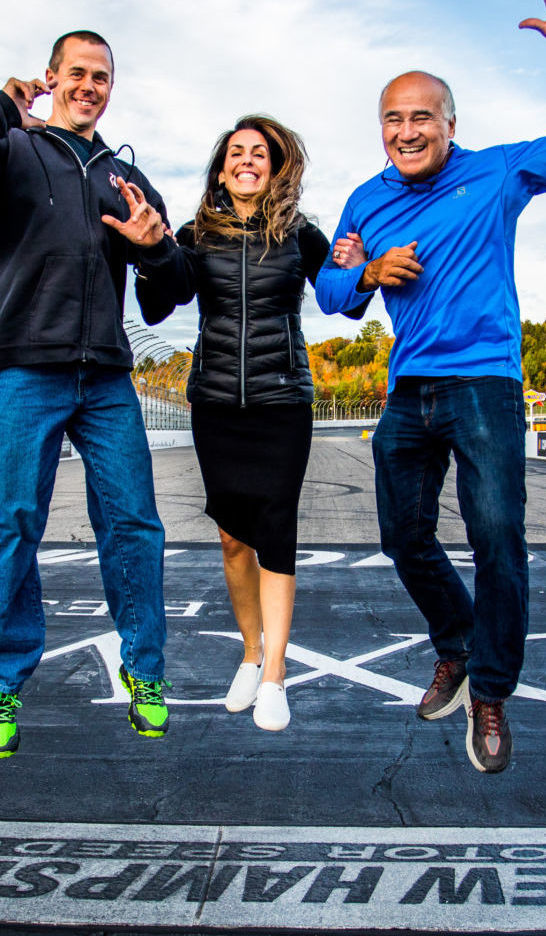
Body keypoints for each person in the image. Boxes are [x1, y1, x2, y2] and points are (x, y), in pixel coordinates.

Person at [314, 0, 546, 773]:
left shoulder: (499, 171)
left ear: (451, 122)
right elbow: (331, 291)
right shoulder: (367, 199)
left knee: (497, 537)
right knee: (402, 538)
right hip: (407, 391)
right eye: (392, 119)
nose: (406, 131)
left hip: (485, 382)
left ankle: (488, 690)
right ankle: (453, 642)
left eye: (422, 116)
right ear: (381, 129)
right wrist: (366, 273)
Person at [0, 30, 188, 758]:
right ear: (51, 77)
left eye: (102, 77)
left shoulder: (126, 179)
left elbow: (171, 296)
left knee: (134, 523)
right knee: (16, 523)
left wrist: (155, 246)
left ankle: (145, 671)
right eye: (77, 73)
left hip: (107, 378)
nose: (89, 85)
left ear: (110, 88)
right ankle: (2, 681)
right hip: (24, 368)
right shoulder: (9, 152)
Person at [137, 116, 368, 732]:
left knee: (276, 535)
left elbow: (346, 303)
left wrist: (357, 265)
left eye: (258, 153)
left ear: (275, 166)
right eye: (235, 153)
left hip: (282, 404)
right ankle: (249, 652)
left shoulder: (301, 234)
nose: (247, 161)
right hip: (215, 405)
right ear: (220, 169)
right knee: (233, 538)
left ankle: (275, 676)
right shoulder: (194, 234)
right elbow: (158, 308)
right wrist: (152, 251)